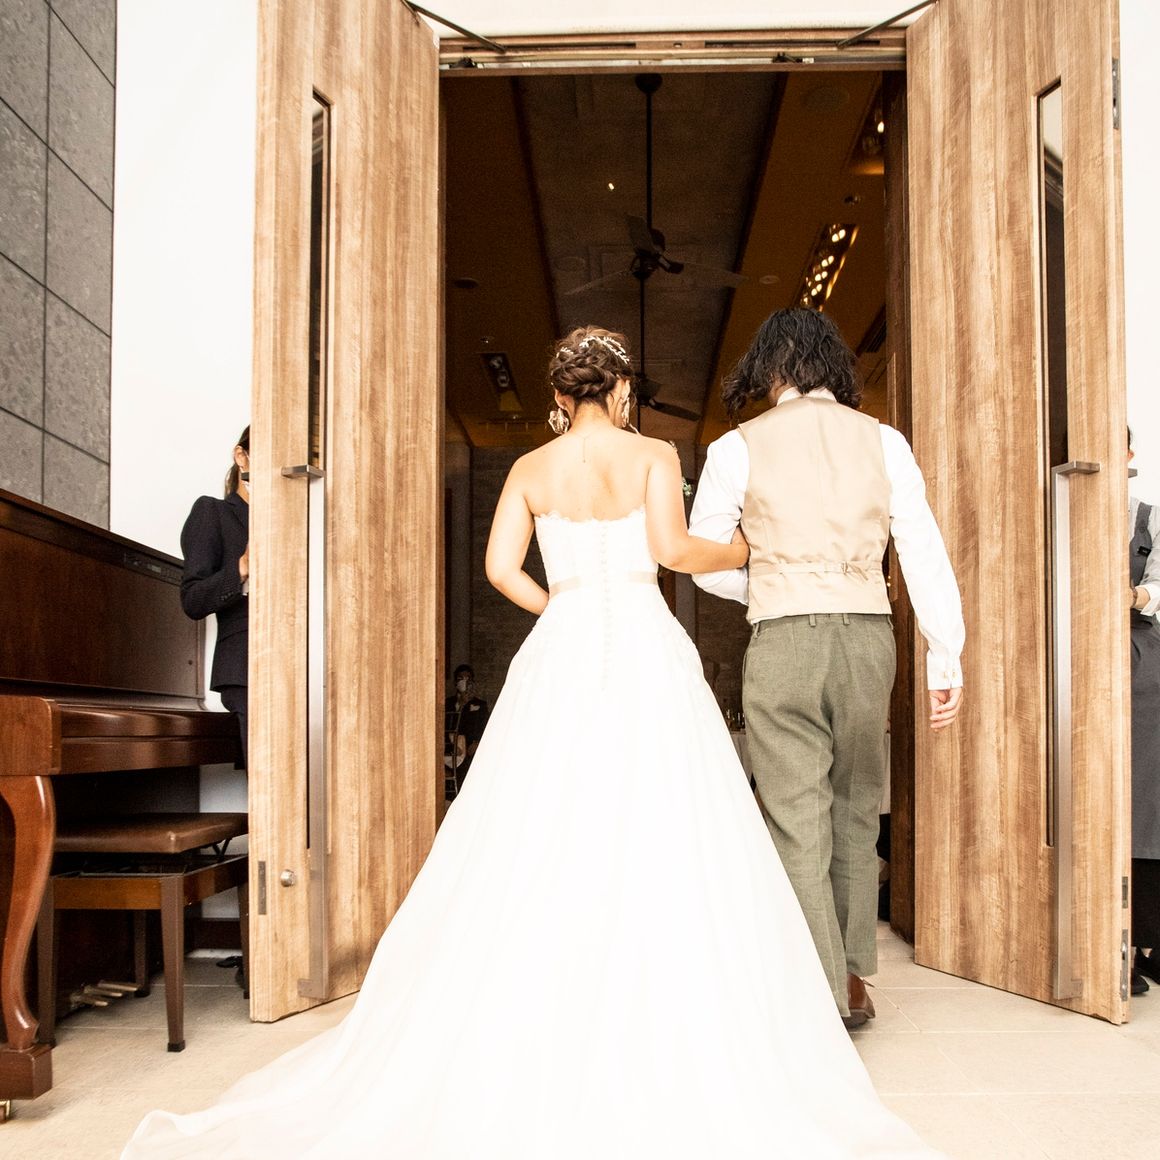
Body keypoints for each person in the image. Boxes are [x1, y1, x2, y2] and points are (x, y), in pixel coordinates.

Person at [123, 329, 939, 1158]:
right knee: (666, 816)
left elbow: (500, 569)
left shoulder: (528, 470)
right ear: (621, 390)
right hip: (645, 643)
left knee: (547, 818)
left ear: (558, 396)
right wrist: (744, 547)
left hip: (566, 643)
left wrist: (562, 608)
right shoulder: (653, 455)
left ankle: (554, 984)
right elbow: (672, 550)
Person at [690, 308, 965, 1030]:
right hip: (868, 634)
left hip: (784, 637)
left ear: (769, 369)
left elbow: (703, 561)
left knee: (795, 815)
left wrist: (770, 584)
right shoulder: (884, 441)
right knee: (855, 808)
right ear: (832, 365)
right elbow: (922, 550)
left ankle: (814, 989)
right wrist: (945, 654)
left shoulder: (735, 447)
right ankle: (850, 977)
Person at [180, 426, 251, 765]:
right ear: (241, 456)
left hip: (307, 667)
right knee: (273, 783)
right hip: (246, 670)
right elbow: (193, 600)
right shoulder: (213, 512)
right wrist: (241, 568)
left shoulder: (301, 518)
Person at [1128, 428, 1160, 994]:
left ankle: (1139, 945)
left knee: (1144, 797)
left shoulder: (1147, 516)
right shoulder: (1056, 503)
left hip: (1138, 650)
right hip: (1072, 651)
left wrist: (1134, 595)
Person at [443, 662, 489, 799]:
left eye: (468, 679)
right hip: (452, 748)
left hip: (471, 749)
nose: (464, 682)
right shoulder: (447, 703)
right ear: (455, 682)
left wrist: (477, 742)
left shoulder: (480, 705)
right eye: (460, 678)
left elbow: (484, 726)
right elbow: (444, 726)